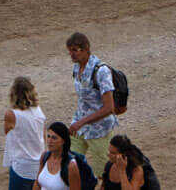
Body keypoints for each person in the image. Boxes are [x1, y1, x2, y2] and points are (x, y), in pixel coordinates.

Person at [64, 32, 117, 172]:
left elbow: (109, 108)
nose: (71, 54)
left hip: (99, 130)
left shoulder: (101, 71)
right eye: (70, 50)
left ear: (86, 49)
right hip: (80, 126)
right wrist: (79, 122)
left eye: (75, 50)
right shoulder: (77, 68)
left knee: (103, 172)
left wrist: (82, 122)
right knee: (70, 164)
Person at [4, 76, 47, 190]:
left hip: (21, 167)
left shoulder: (11, 115)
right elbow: (43, 135)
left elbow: (6, 131)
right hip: (39, 165)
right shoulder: (38, 111)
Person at [36, 122, 85, 190]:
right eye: (48, 136)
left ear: (63, 141)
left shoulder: (71, 166)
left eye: (54, 138)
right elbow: (37, 184)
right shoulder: (44, 156)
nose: (49, 141)